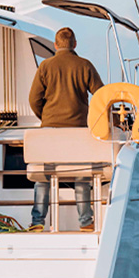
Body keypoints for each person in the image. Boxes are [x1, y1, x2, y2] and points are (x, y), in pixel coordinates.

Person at [28, 27, 103, 232]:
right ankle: (85, 222)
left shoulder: (45, 66)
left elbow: (34, 99)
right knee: (82, 176)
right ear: (75, 44)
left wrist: (45, 117)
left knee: (43, 177)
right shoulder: (85, 65)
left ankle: (37, 222)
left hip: (50, 130)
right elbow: (101, 95)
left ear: (55, 45)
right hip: (78, 130)